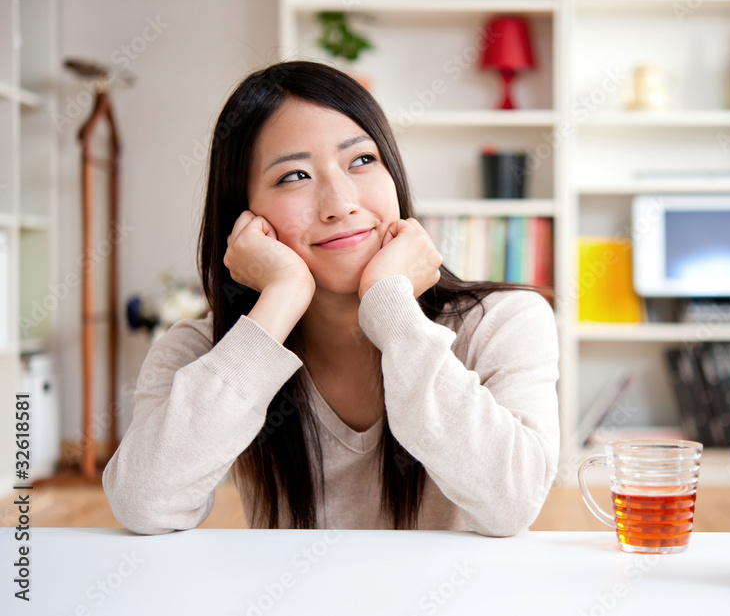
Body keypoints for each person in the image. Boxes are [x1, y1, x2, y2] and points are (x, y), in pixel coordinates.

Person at [103, 61, 560, 536]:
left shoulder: (505, 322)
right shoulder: (205, 351)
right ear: (245, 216)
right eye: (294, 176)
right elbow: (144, 504)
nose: (340, 203)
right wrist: (281, 298)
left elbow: (512, 504)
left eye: (362, 160)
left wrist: (392, 309)